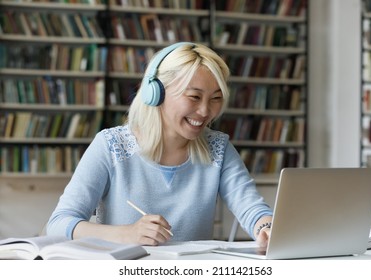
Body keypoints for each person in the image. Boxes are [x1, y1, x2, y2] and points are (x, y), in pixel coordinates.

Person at [46, 42, 273, 249]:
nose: (205, 112)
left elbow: (251, 208)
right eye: (194, 97)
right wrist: (127, 234)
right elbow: (59, 223)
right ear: (156, 92)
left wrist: (266, 229)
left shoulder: (219, 148)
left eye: (215, 98)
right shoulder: (111, 145)